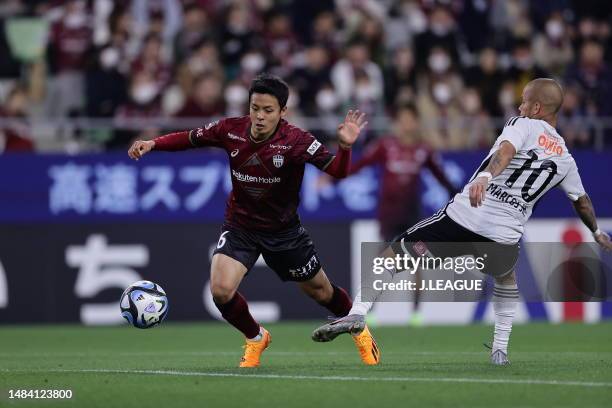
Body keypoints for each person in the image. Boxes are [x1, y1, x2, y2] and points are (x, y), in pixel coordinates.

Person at [311, 78, 612, 365]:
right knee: (506, 280)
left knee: (392, 255)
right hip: (504, 236)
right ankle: (499, 351)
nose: (519, 108)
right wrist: (596, 231)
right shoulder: (566, 160)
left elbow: (506, 151)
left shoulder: (524, 124)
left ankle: (359, 312)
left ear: (535, 109)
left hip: (465, 218)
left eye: (524, 103)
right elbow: (581, 201)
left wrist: (484, 176)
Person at [128, 74, 380, 367]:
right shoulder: (230, 129)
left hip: (284, 232)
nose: (259, 116)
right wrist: (152, 143)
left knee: (322, 292)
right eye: (255, 108)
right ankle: (256, 337)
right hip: (241, 227)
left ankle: (359, 328)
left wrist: (346, 147)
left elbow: (337, 171)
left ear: (283, 112)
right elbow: (190, 138)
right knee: (221, 290)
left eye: (268, 110)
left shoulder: (297, 140)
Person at [344, 103, 457, 325]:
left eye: (410, 119)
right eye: (402, 119)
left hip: (412, 214)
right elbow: (361, 164)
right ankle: (370, 310)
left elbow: (441, 177)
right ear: (397, 123)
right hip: (389, 214)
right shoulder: (385, 146)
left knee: (416, 263)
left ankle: (415, 313)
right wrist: (334, 175)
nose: (406, 124)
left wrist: (458, 196)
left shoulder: (424, 149)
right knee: (381, 261)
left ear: (415, 122)